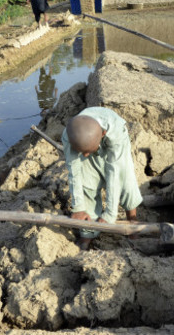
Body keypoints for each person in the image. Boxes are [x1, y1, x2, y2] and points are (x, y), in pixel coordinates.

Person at [62, 107, 143, 250]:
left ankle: (132, 220)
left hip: (114, 141)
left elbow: (114, 173)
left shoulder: (115, 132)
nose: (85, 156)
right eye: (82, 153)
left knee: (126, 180)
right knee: (87, 183)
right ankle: (87, 233)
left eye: (88, 152)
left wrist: (110, 214)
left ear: (103, 134)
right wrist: (78, 207)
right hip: (86, 142)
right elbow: (74, 171)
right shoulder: (70, 136)